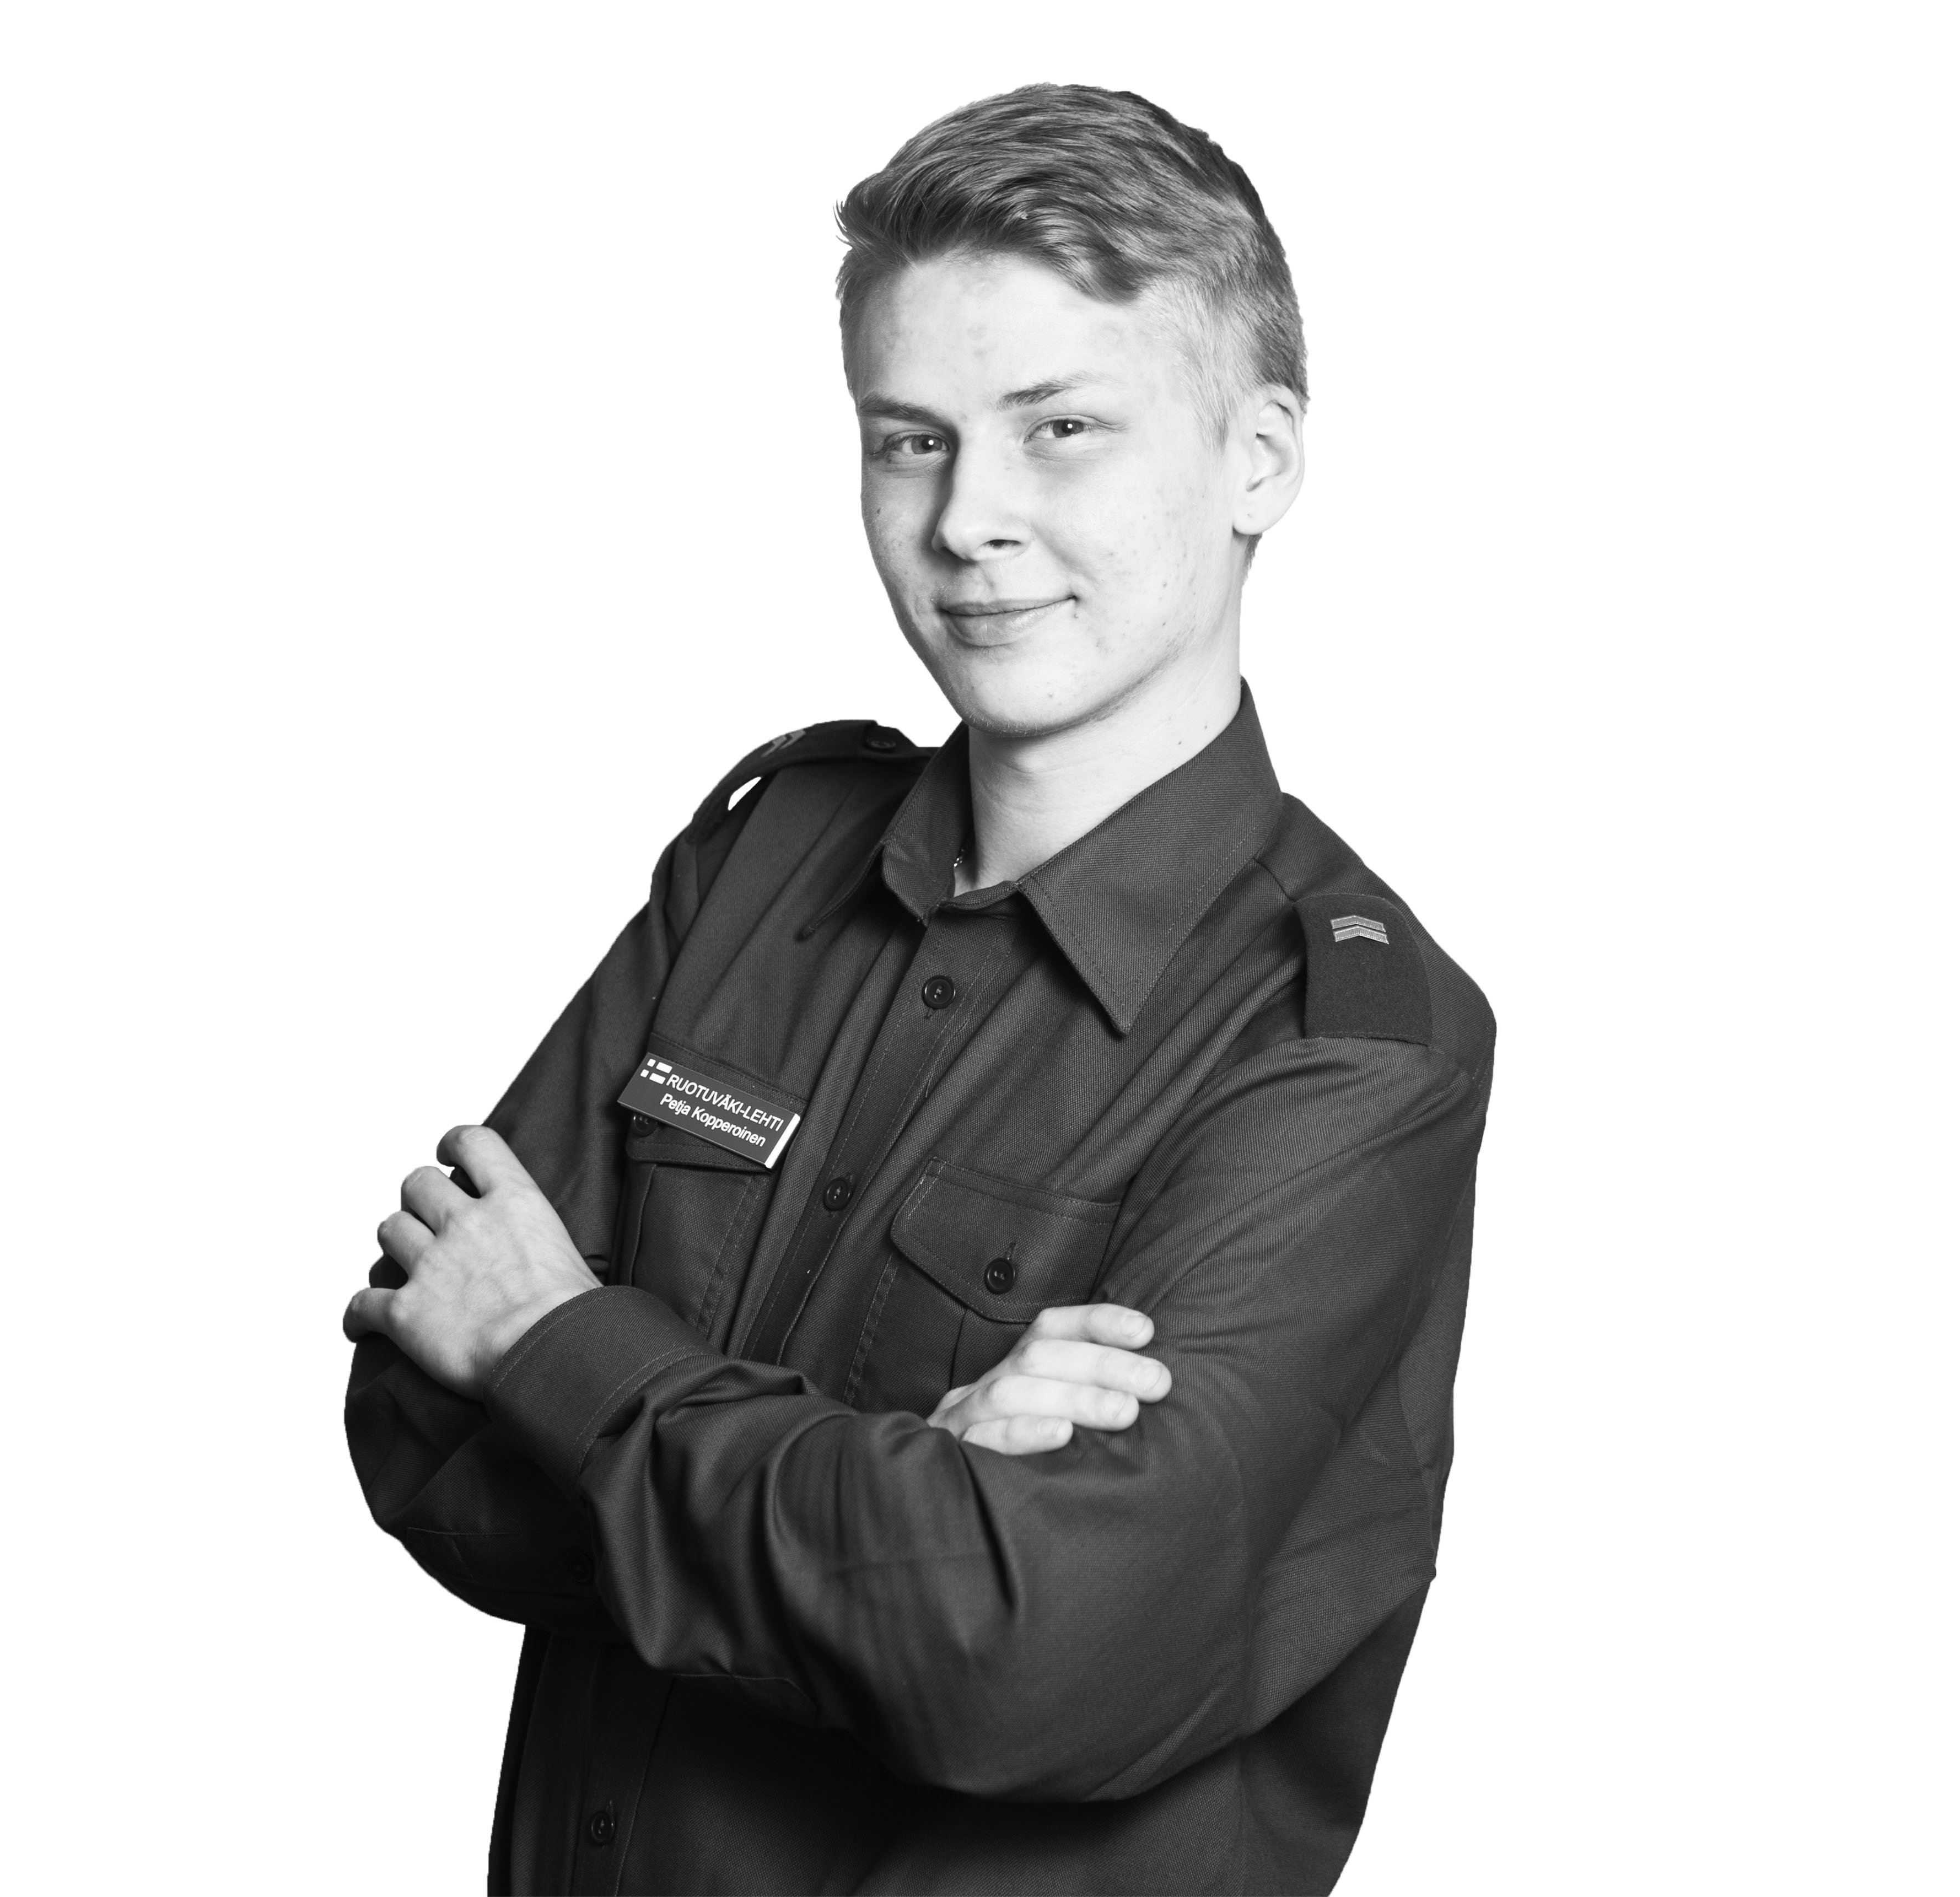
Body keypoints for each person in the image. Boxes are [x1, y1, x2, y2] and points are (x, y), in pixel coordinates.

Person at [342, 81, 1493, 1896]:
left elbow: (1023, 1652)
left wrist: (564, 1355)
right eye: (911, 440)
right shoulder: (763, 858)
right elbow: (414, 1413)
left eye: (1062, 429)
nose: (969, 519)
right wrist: (894, 1503)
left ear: (1261, 457)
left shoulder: (1344, 1045)